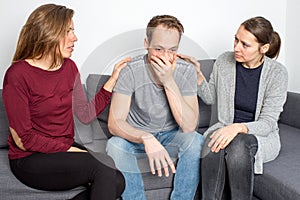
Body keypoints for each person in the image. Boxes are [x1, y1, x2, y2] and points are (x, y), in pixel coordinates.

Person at [2, 4, 131, 200]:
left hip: (62, 149)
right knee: (103, 167)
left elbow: (84, 114)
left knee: (118, 180)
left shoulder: (69, 67)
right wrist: (69, 149)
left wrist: (112, 80)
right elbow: (24, 139)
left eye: (73, 30)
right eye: (68, 31)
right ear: (48, 34)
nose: (75, 37)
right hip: (30, 158)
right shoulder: (18, 74)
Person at [179, 16, 288, 200]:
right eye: (236, 39)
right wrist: (198, 75)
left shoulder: (277, 73)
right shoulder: (224, 61)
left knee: (238, 144)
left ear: (264, 48)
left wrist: (237, 128)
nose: (236, 47)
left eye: (245, 45)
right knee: (213, 142)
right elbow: (210, 97)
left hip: (259, 136)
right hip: (225, 128)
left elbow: (268, 123)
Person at [106, 15, 204, 200]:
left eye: (172, 50)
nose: (166, 57)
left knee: (196, 141)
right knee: (115, 145)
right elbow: (114, 123)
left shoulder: (186, 70)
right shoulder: (131, 70)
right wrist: (146, 138)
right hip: (137, 138)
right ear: (146, 44)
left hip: (171, 137)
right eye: (158, 49)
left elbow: (189, 126)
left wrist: (168, 81)